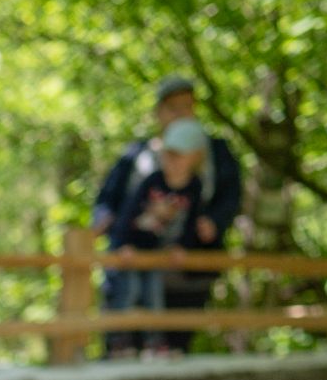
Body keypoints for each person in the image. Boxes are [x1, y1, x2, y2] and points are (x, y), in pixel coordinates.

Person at [92, 73, 242, 355]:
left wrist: (214, 222)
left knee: (172, 348)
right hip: (132, 267)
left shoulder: (216, 154)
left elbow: (230, 199)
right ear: (159, 113)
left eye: (188, 106)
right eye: (173, 108)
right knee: (122, 345)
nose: (182, 114)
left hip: (183, 275)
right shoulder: (137, 155)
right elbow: (108, 201)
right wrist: (104, 225)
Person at [105, 118, 209, 356]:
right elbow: (127, 213)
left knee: (154, 296)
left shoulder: (194, 187)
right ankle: (119, 343)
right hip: (131, 248)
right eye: (168, 155)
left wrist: (182, 247)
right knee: (128, 292)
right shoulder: (152, 181)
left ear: (194, 157)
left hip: (156, 252)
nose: (171, 162)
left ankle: (154, 343)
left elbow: (190, 223)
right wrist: (123, 245)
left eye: (179, 156)